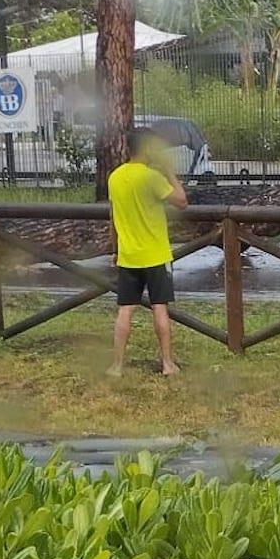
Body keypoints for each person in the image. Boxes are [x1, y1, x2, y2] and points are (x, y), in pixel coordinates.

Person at [107, 128, 188, 378]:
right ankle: (167, 363)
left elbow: (113, 217)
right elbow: (182, 201)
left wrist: (115, 248)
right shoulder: (151, 178)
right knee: (160, 308)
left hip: (128, 254)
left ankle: (117, 365)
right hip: (155, 254)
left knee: (125, 309)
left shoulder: (115, 178)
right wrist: (171, 173)